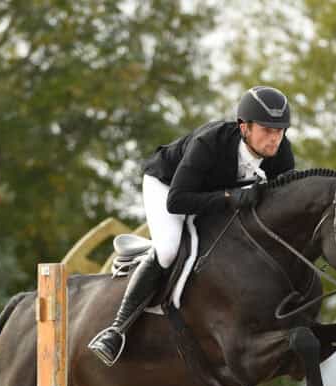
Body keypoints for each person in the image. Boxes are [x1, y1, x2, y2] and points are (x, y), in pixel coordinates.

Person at [88, 85, 297, 366]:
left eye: (280, 130)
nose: (275, 139)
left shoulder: (282, 154)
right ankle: (116, 330)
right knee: (169, 250)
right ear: (244, 127)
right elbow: (178, 201)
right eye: (267, 130)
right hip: (168, 187)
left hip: (213, 195)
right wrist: (230, 197)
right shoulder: (210, 142)